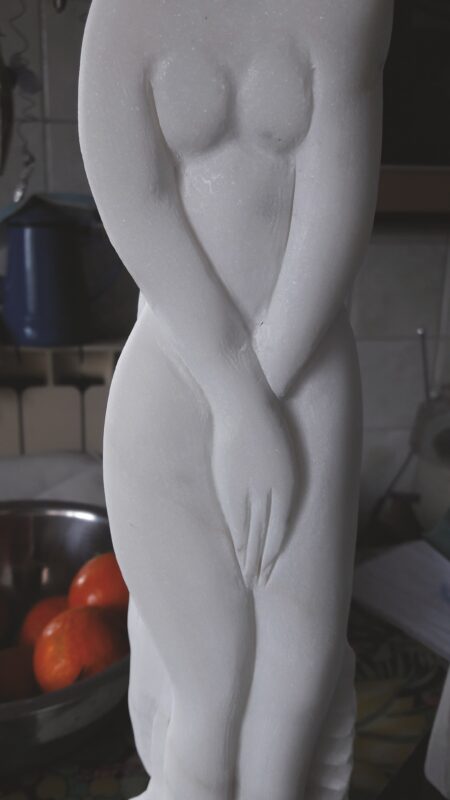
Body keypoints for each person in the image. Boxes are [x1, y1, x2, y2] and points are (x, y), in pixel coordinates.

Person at [79, 2, 393, 798]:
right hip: (174, 361)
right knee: (206, 690)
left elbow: (336, 207)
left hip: (306, 366)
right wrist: (237, 398)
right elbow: (134, 198)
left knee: (298, 678)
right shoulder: (126, 12)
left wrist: (264, 396)